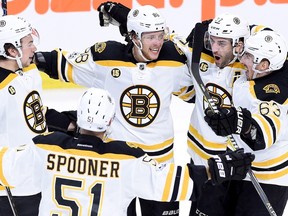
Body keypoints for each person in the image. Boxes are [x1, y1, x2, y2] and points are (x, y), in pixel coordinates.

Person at [33, 5, 196, 216]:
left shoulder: (175, 59)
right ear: (134, 37)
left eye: (160, 35)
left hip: (160, 163)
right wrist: (23, 61)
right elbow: (60, 63)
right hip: (118, 161)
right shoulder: (106, 58)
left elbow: (198, 84)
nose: (157, 43)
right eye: (150, 37)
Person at [0, 87, 255, 215]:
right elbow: (177, 185)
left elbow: (4, 168)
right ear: (110, 122)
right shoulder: (125, 159)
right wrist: (219, 168)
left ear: (79, 117)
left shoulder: (45, 148)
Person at [204, 30, 288, 215]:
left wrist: (237, 121)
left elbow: (260, 137)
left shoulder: (276, 93)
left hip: (266, 178)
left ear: (264, 64)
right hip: (238, 166)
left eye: (248, 56)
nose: (242, 60)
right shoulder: (259, 72)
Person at [0, 15, 76, 215]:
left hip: (37, 176)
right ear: (11, 50)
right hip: (11, 186)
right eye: (29, 43)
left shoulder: (29, 72)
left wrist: (69, 124)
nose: (34, 48)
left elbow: (36, 114)